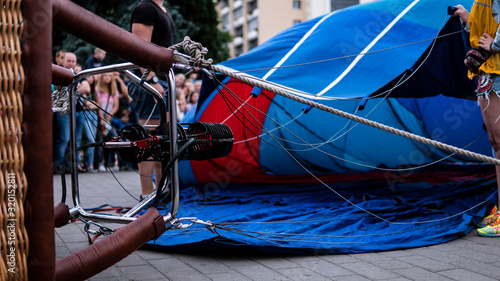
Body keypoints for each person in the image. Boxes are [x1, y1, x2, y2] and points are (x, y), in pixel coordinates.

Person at [454, 2, 500, 237]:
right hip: (488, 71)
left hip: (497, 72)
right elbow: (489, 23)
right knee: (496, 143)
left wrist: (496, 44)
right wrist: (467, 18)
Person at [129, 0, 175, 198]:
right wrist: (152, 80)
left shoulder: (163, 9)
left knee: (163, 140)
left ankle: (161, 190)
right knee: (149, 141)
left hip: (163, 80)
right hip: (149, 80)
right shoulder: (146, 8)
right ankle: (147, 194)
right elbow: (139, 49)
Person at [53, 52, 77, 174]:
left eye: (73, 61)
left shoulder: (76, 74)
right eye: (69, 61)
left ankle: (68, 165)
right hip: (63, 111)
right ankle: (58, 164)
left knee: (72, 139)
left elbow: (86, 88)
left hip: (74, 111)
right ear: (63, 62)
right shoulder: (59, 74)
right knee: (64, 138)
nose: (71, 63)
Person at [95, 72, 120, 171]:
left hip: (109, 119)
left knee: (113, 138)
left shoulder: (113, 91)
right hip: (100, 119)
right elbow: (98, 106)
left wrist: (110, 115)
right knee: (100, 140)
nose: (107, 78)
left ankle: (111, 162)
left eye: (109, 76)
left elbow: (116, 105)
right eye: (105, 75)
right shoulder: (98, 89)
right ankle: (100, 162)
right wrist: (102, 119)